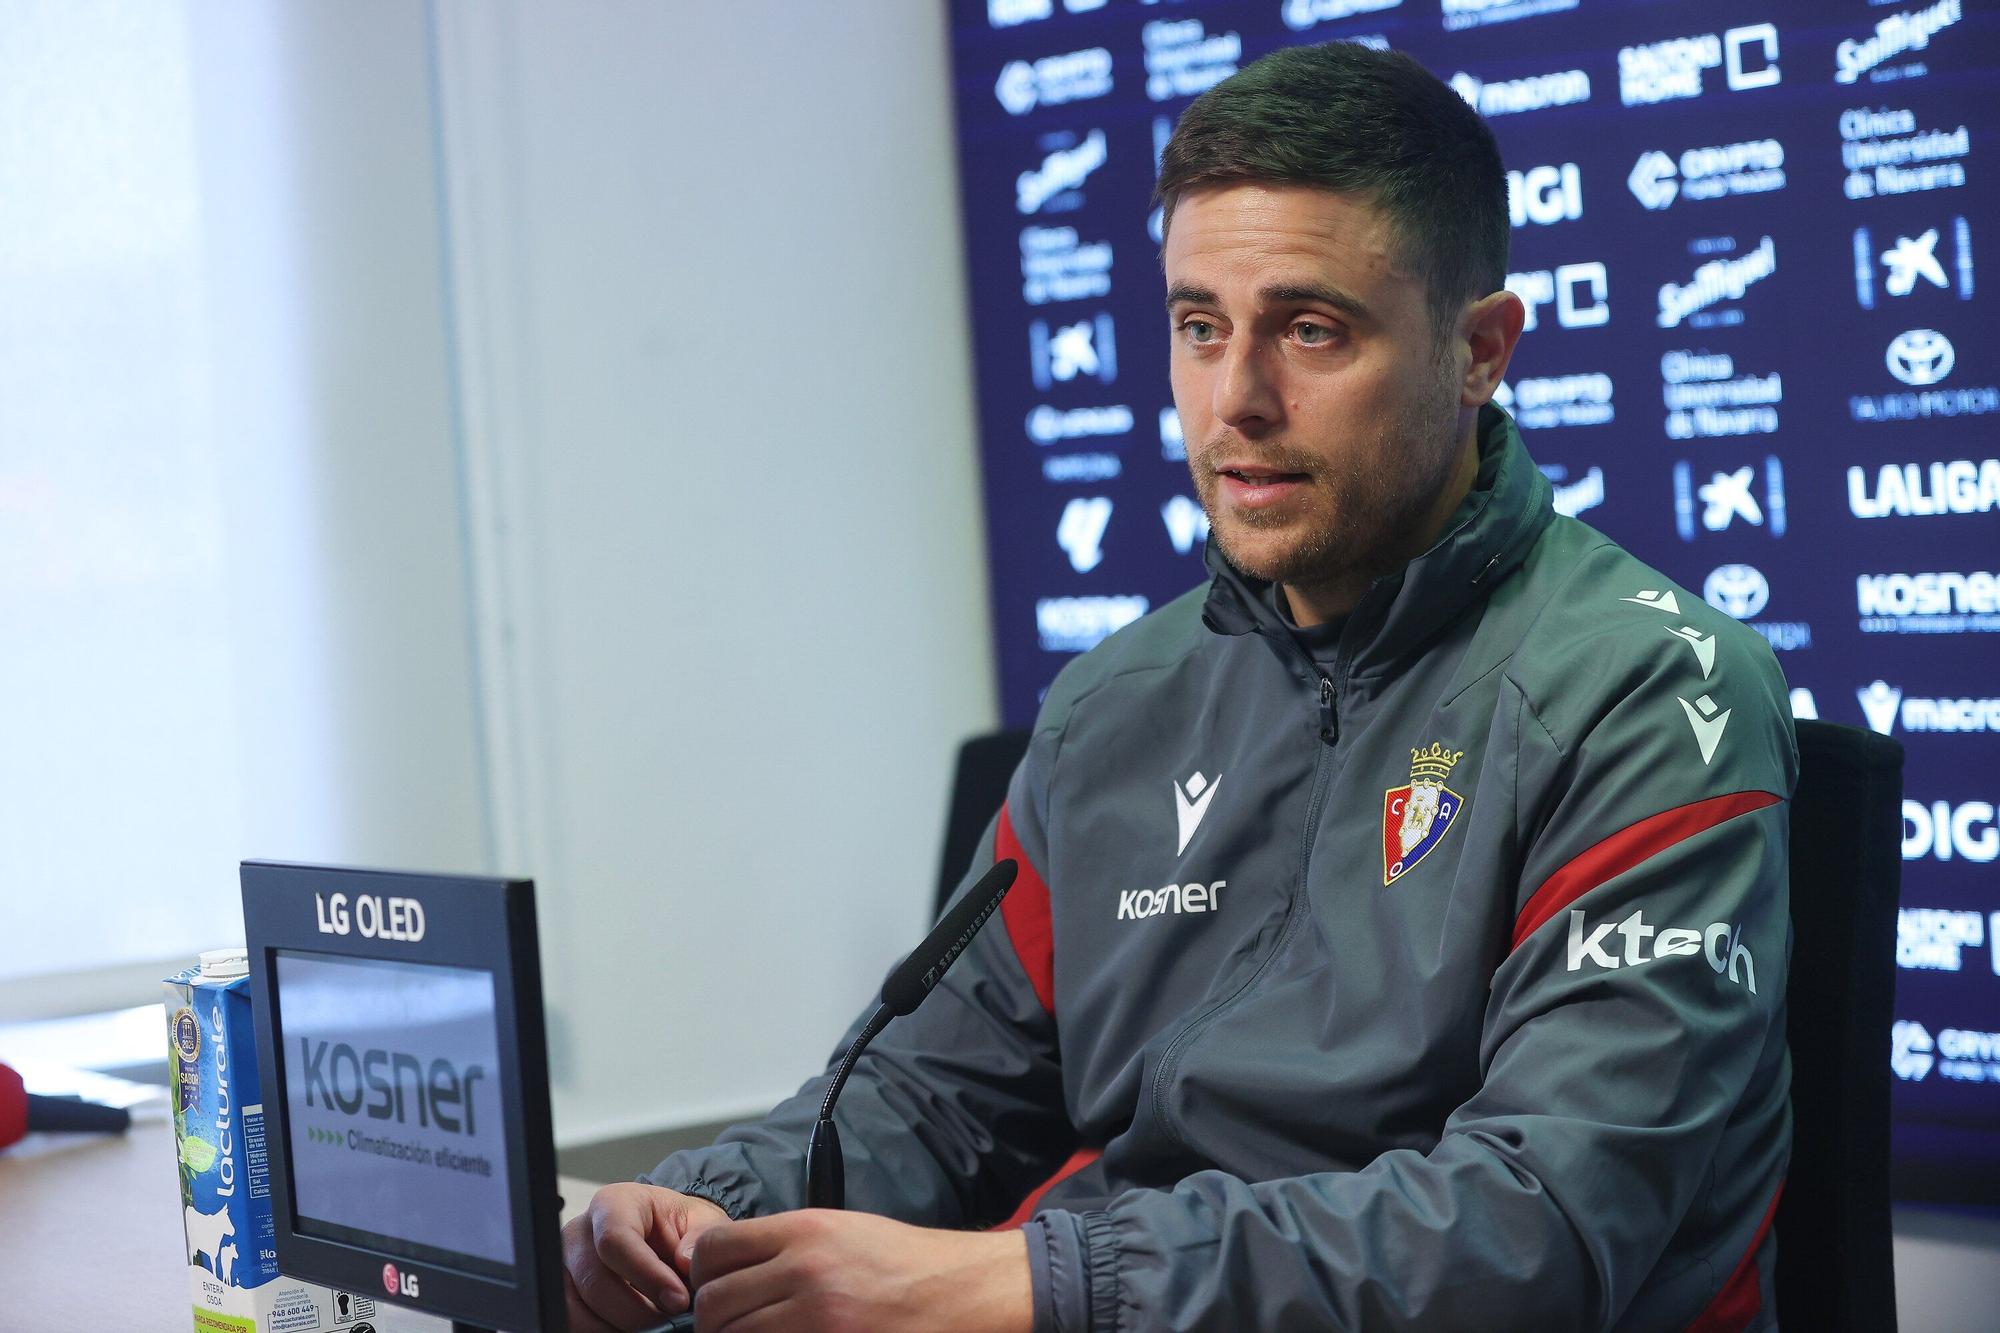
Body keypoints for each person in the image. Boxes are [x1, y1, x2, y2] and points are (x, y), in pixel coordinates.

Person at [562, 40, 1794, 1333]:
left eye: (1311, 329)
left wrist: (1041, 1281)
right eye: (1200, 326)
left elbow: (1533, 1227)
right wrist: (691, 1205)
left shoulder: (1650, 691)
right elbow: (933, 1091)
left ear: (1480, 347)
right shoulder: (1114, 703)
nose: (1236, 399)